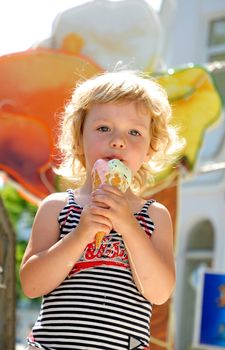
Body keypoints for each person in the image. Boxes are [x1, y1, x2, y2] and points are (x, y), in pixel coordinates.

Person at [20, 70, 184, 350]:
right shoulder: (57, 207)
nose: (118, 141)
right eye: (104, 128)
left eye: (134, 132)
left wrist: (129, 226)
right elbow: (32, 285)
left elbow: (159, 292)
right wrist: (81, 233)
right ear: (78, 139)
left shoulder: (154, 215)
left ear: (149, 149)